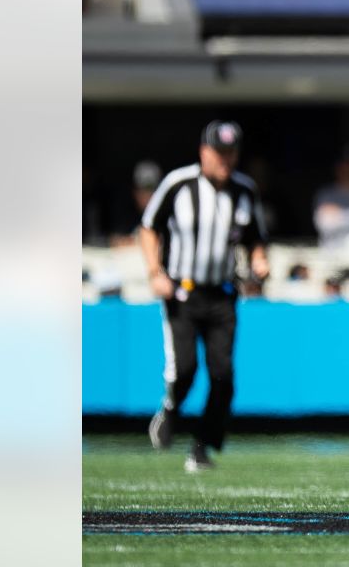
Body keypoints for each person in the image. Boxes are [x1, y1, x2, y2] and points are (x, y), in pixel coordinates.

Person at [140, 120, 270, 472]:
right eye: (219, 152)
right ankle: (170, 408)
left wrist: (259, 259)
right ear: (204, 151)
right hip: (183, 292)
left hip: (223, 294)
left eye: (231, 153)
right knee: (185, 370)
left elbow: (255, 236)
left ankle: (201, 447)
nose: (226, 160)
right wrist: (155, 272)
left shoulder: (245, 190)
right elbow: (149, 227)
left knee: (223, 376)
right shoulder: (179, 184)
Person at [108, 160, 162, 247]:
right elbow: (114, 240)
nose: (146, 197)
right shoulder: (126, 210)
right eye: (142, 192)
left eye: (150, 191)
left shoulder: (166, 214)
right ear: (135, 193)